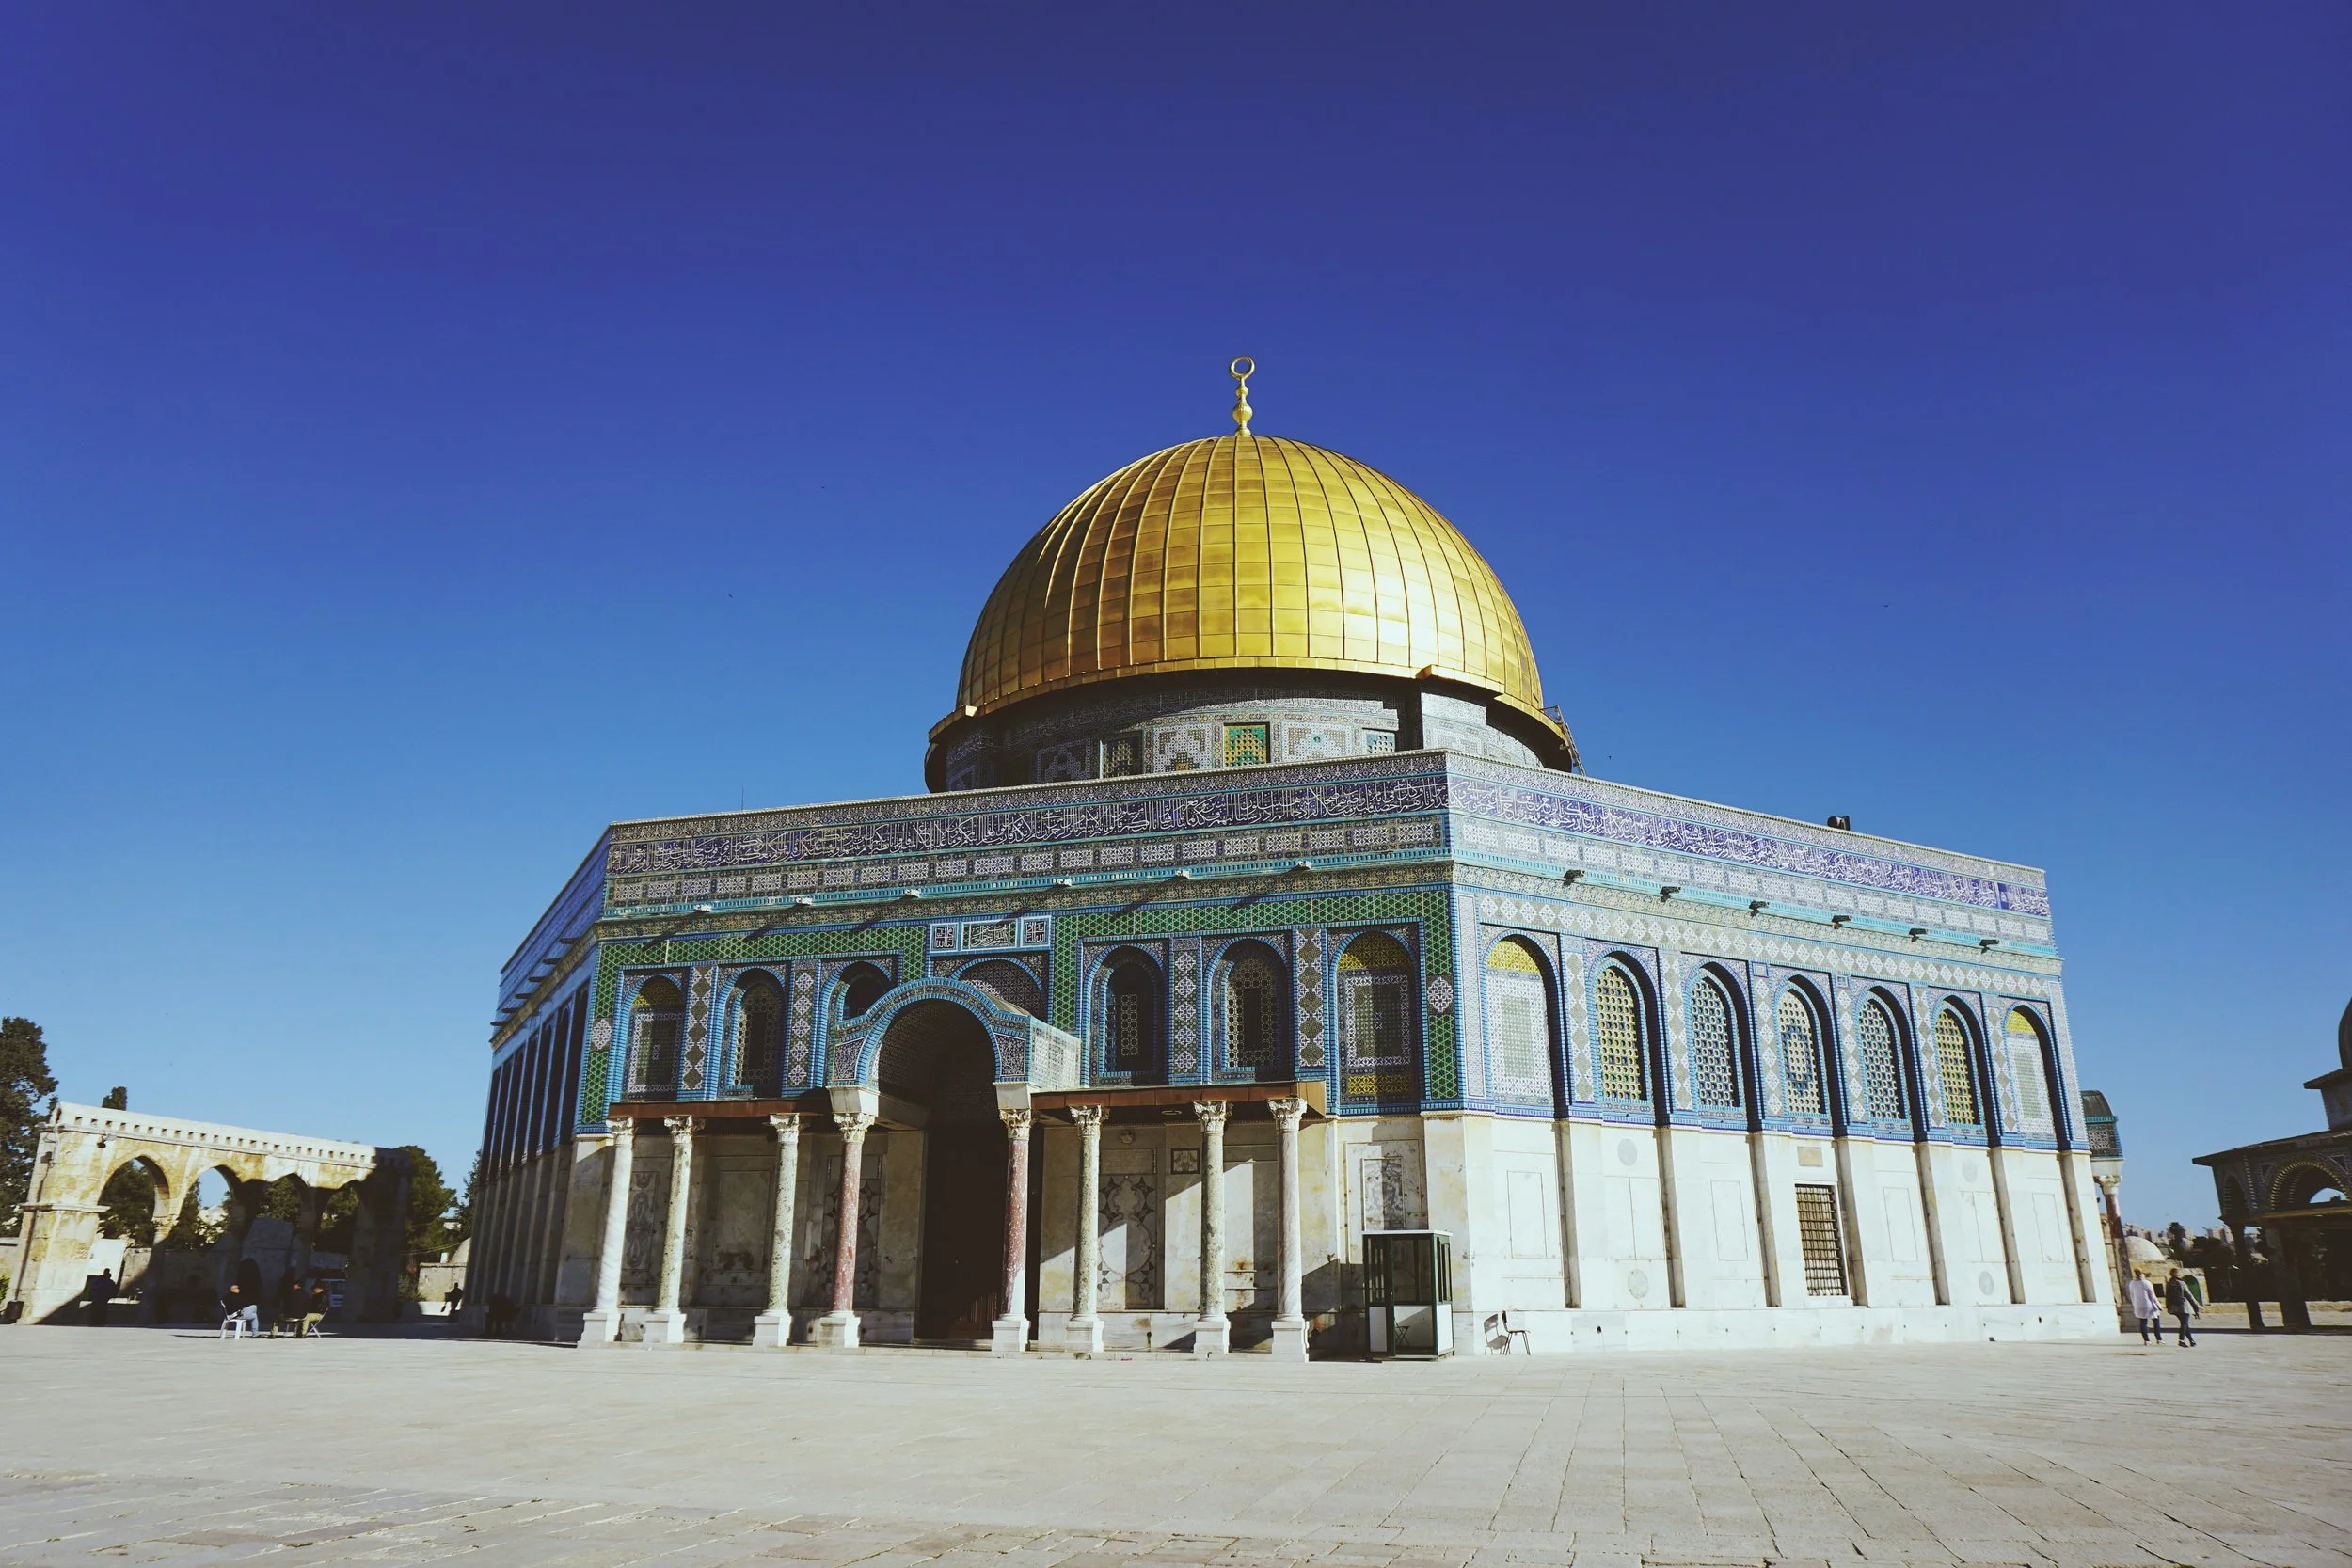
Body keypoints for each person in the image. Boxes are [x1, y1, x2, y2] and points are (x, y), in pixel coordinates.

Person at [2165, 1273, 2201, 1347]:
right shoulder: (2181, 1283)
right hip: (2183, 1307)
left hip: (2174, 1307)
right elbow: (2189, 1296)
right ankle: (2181, 1340)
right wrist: (2195, 1308)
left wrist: (2168, 1307)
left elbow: (2167, 1296)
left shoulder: (2168, 1284)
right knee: (2184, 1324)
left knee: (2185, 1324)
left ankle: (2191, 1341)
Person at [2125, 1274, 2162, 1344]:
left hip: (2138, 1305)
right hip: (2149, 1304)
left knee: (2143, 1322)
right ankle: (2159, 1339)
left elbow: (2131, 1295)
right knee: (2156, 1320)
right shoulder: (2146, 1283)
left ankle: (2146, 1340)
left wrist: (2134, 1305)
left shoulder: (2132, 1283)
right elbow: (2152, 1296)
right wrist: (2159, 1305)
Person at [273, 1270, 302, 1338]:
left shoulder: (288, 1294)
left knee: (277, 1318)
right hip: (299, 1316)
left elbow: (285, 1306)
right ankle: (298, 1332)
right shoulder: (303, 1295)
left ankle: (273, 1334)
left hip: (289, 1315)